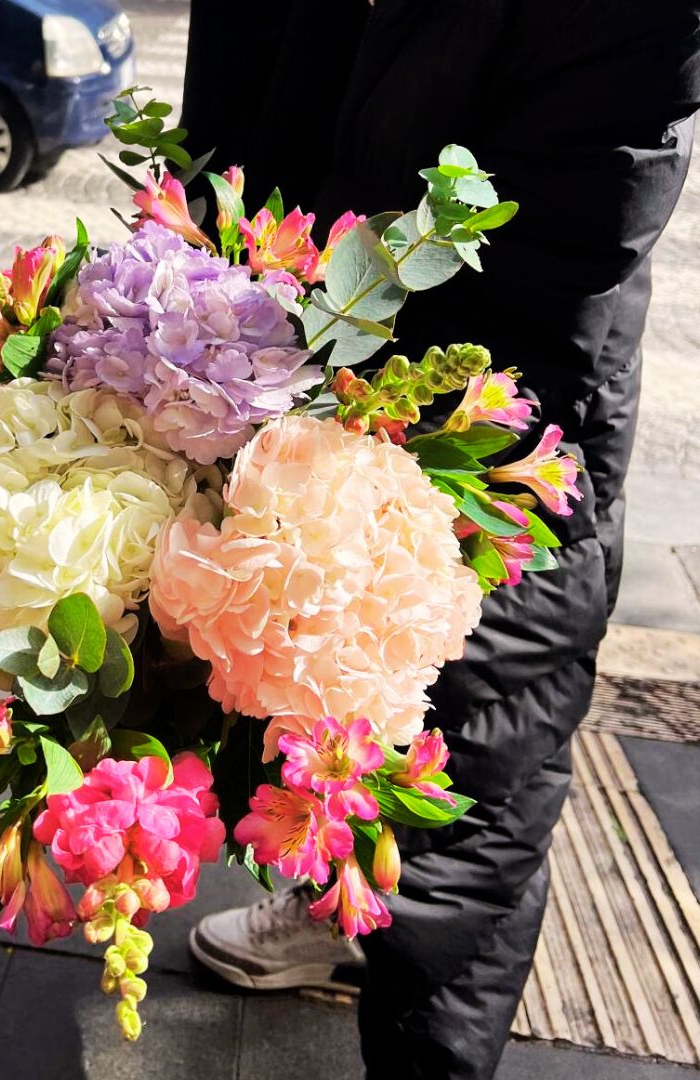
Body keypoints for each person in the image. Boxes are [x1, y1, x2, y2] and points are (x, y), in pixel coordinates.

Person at [181, 2, 700, 1077]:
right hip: (299, 355)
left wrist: (337, 423)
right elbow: (227, 121)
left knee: (472, 774)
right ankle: (333, 896)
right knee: (305, 711)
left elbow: (555, 254)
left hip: (494, 406)